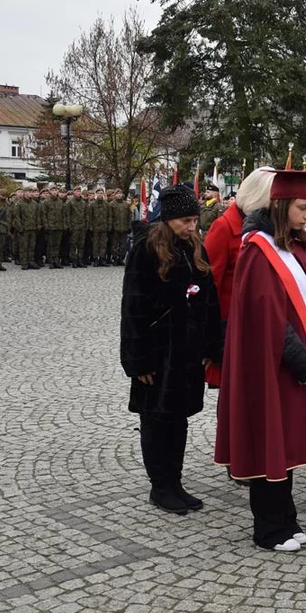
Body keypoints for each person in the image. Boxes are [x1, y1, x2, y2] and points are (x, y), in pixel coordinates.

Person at [215, 171, 306, 552]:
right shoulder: (257, 251)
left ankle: (287, 516)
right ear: (280, 207)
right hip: (272, 366)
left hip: (302, 365)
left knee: (290, 444)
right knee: (270, 443)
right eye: (302, 209)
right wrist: (303, 363)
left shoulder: (303, 247)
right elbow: (269, 319)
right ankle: (268, 527)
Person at [120, 184, 221, 515]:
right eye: (185, 221)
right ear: (168, 219)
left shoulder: (194, 248)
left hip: (187, 351)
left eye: (194, 220)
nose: (192, 227)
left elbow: (209, 300)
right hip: (157, 352)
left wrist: (210, 344)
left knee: (178, 419)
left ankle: (175, 481)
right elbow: (133, 308)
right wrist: (138, 361)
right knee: (156, 419)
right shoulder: (145, 251)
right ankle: (159, 485)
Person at [203, 167, 276, 388]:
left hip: (260, 325)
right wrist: (209, 342)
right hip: (230, 329)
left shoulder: (270, 227)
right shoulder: (223, 227)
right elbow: (209, 285)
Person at [89, 188, 111, 266]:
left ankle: (102, 259)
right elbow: (90, 216)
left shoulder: (107, 204)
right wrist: (90, 226)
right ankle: (95, 259)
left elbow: (109, 216)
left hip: (104, 227)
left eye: (101, 193)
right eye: (98, 193)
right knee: (95, 244)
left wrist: (109, 226)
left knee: (103, 244)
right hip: (95, 227)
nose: (100, 195)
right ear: (96, 194)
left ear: (103, 194)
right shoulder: (92, 204)